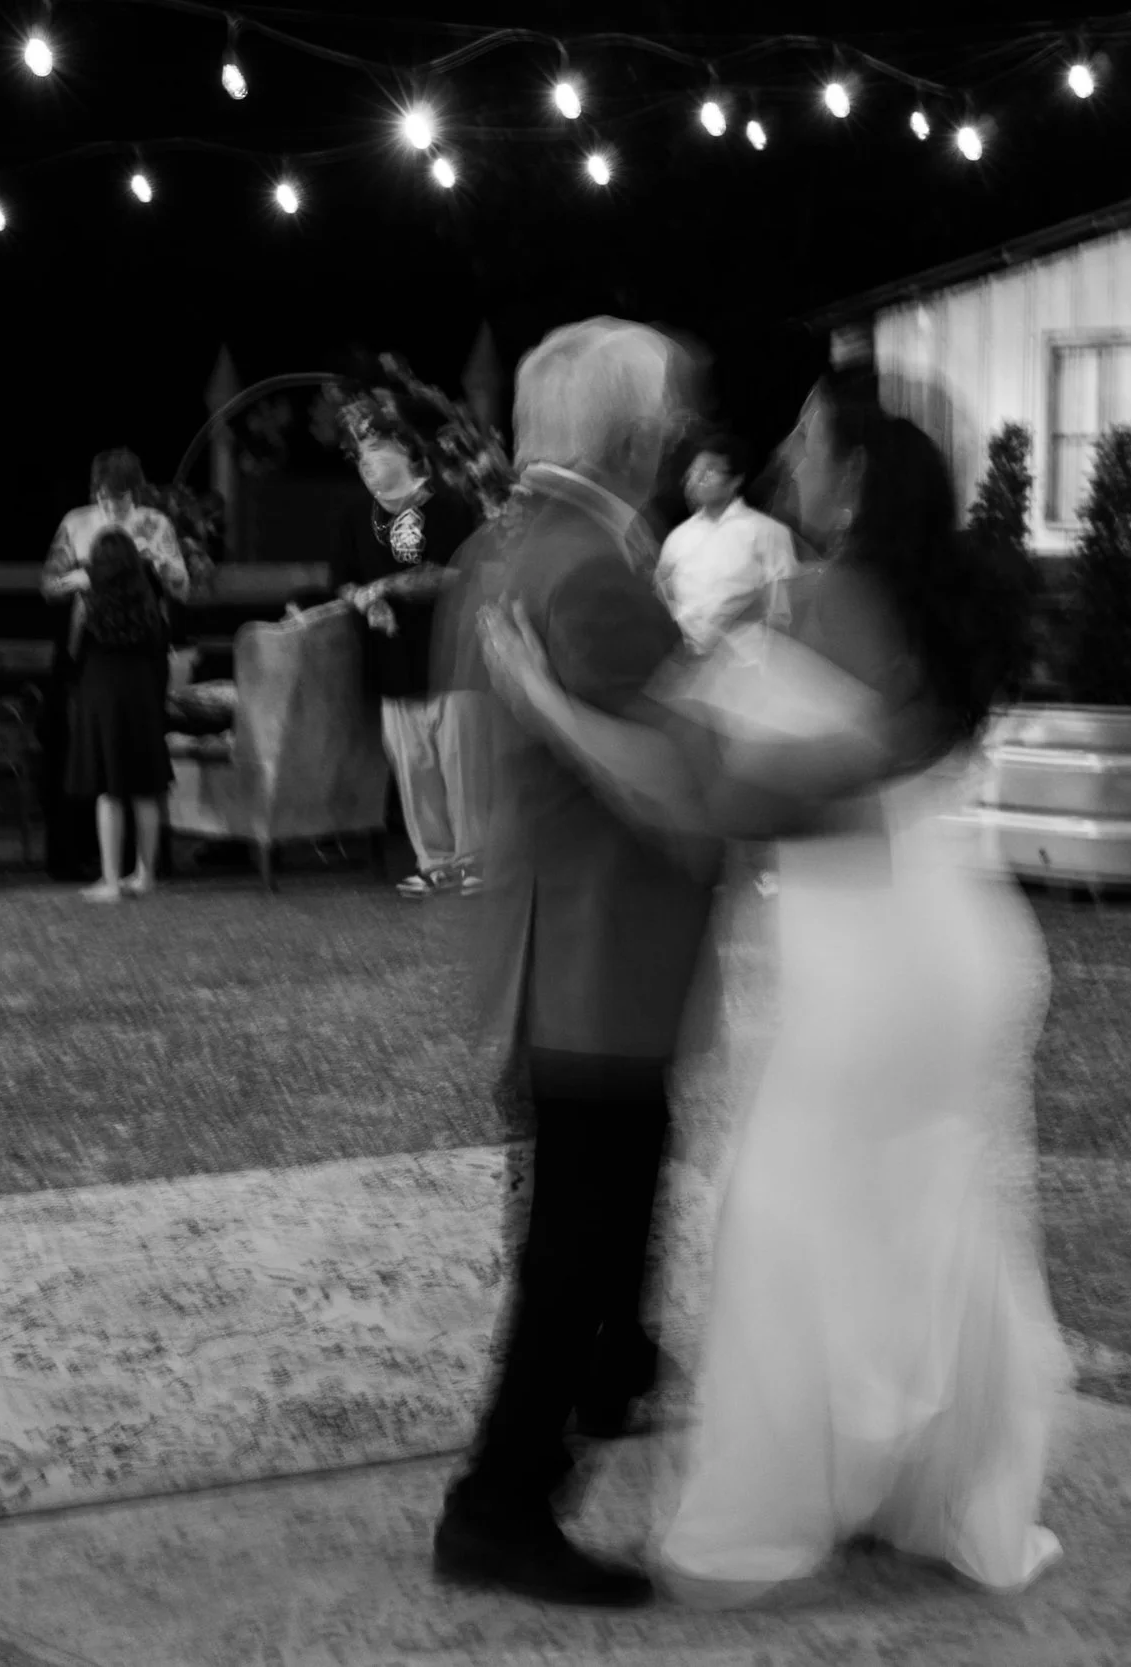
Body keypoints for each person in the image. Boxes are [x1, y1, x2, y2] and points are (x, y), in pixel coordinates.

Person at [482, 369, 1065, 1604]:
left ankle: (797, 1495)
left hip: (862, 961)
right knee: (920, 1207)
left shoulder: (820, 597)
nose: (783, 453)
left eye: (804, 434)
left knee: (795, 1215)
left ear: (852, 472)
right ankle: (925, 1484)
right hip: (957, 935)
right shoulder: (933, 598)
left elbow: (715, 800)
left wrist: (544, 702)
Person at [426, 319, 716, 1609]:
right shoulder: (591, 569)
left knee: (590, 1222)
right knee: (579, 1240)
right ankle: (500, 1501)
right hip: (602, 955)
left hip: (549, 941)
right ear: (634, 436)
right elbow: (680, 782)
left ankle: (600, 1386)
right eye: (666, 413)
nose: (676, 430)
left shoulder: (503, 546)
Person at [334, 403, 484, 899]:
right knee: (413, 768)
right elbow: (343, 580)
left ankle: (476, 859)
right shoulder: (355, 514)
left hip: (450, 661)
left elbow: (454, 575)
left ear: (408, 453)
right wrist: (363, 600)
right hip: (392, 663)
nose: (366, 460)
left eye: (377, 448)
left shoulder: (448, 506)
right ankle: (435, 862)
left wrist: (387, 587)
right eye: (361, 453)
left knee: (461, 766)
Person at [38, 450, 188, 882]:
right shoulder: (77, 523)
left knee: (139, 755)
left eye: (118, 498)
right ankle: (83, 856)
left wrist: (159, 562)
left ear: (134, 492)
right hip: (91, 647)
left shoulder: (154, 524)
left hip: (140, 649)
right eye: (103, 496)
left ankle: (143, 866)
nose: (109, 506)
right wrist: (79, 579)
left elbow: (182, 588)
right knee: (87, 750)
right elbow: (49, 585)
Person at [65, 528, 171, 902]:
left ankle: (110, 880)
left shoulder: (87, 600)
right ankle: (145, 875)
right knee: (145, 789)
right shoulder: (148, 601)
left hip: (101, 695)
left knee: (109, 792)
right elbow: (160, 649)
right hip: (141, 694)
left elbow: (74, 650)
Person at [655, 431, 799, 654]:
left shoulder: (768, 533)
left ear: (735, 480)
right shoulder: (677, 538)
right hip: (683, 663)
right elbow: (661, 594)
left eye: (709, 470)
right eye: (694, 471)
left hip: (744, 664)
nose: (698, 478)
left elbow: (782, 612)